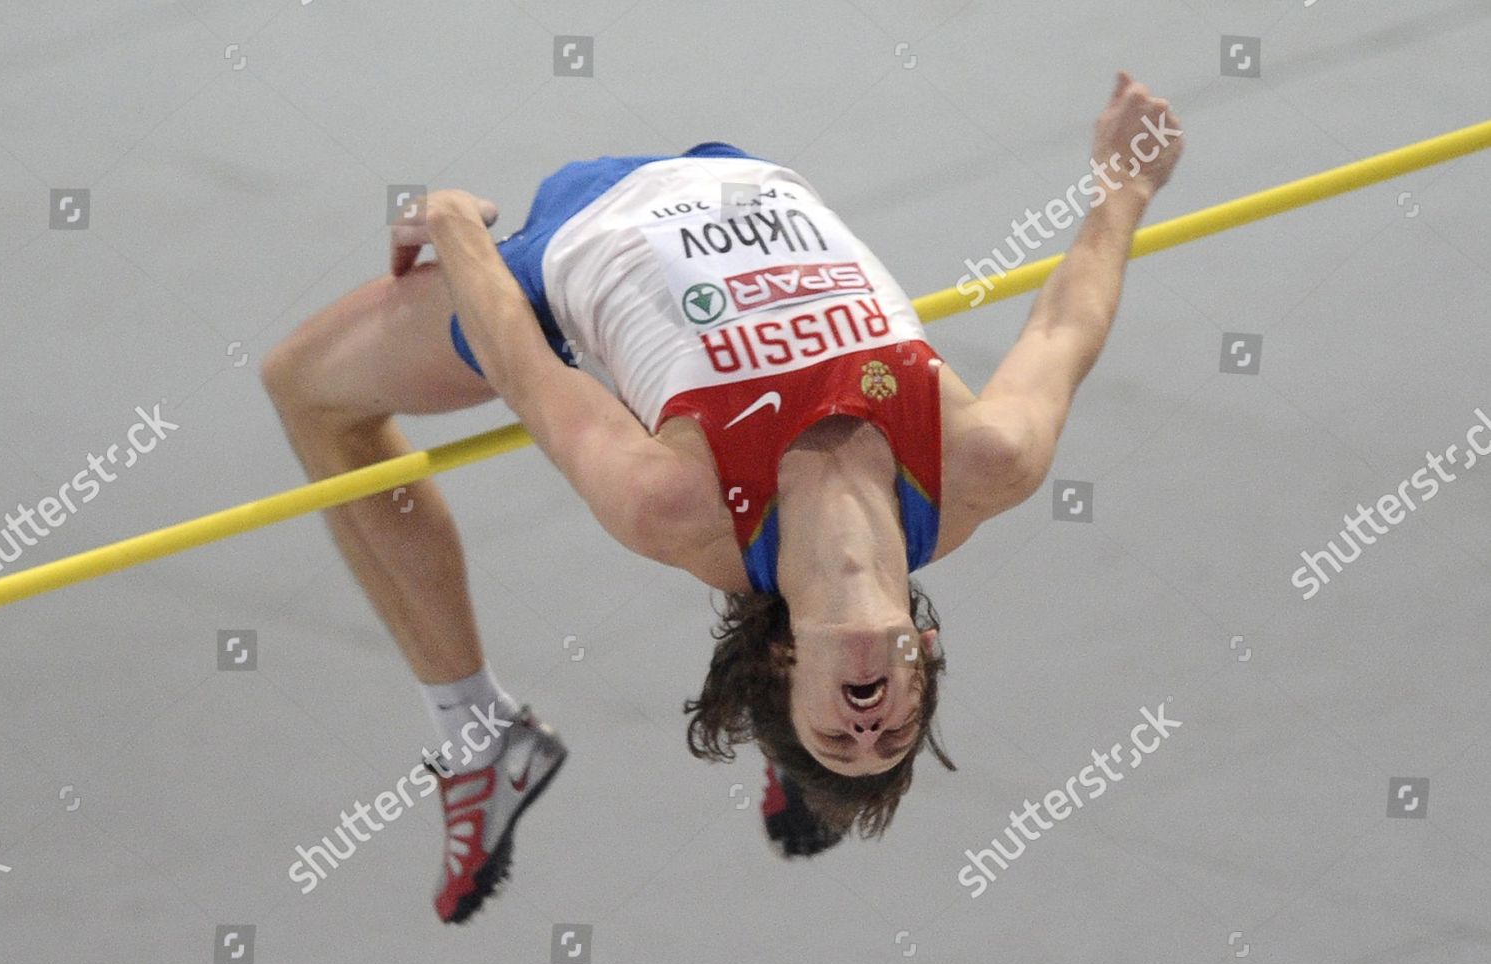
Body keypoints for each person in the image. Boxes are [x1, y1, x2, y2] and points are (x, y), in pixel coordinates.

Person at [262, 71, 1183, 921]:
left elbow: (523, 366)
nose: (868, 726)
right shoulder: (980, 462)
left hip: (563, 256)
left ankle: (476, 733)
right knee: (775, 533)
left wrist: (456, 226)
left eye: (838, 734)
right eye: (894, 726)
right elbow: (1065, 324)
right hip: (742, 179)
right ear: (923, 651)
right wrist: (1125, 184)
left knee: (302, 385)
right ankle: (793, 756)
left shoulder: (666, 502)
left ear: (784, 667)